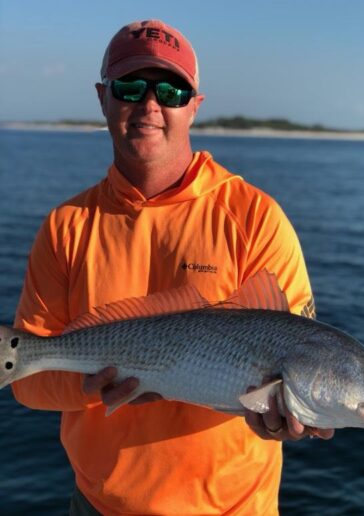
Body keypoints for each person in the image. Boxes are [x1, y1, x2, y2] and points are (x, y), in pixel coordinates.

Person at [12, 19, 333, 515]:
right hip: (98, 506)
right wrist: (88, 386)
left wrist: (291, 418)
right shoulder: (66, 227)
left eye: (171, 90)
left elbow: (300, 354)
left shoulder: (255, 217)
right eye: (130, 86)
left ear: (195, 106)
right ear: (103, 98)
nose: (149, 105)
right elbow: (27, 377)